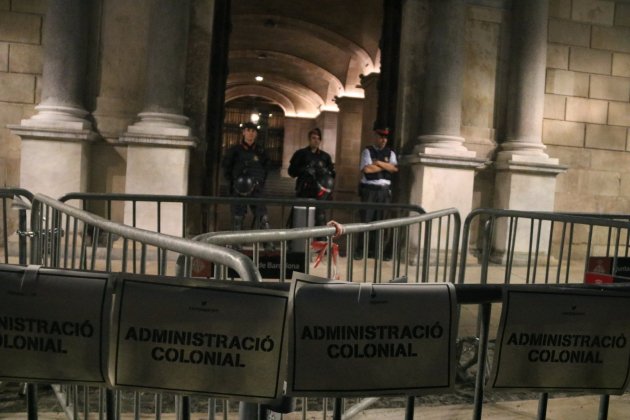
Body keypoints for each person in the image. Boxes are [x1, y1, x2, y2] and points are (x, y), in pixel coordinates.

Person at [222, 121, 273, 250]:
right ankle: (236, 244)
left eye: (253, 131)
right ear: (243, 132)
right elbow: (226, 169)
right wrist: (235, 182)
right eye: (248, 130)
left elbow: (267, 168)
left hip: (256, 188)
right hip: (239, 189)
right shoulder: (234, 150)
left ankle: (268, 244)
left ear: (256, 134)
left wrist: (259, 181)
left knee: (263, 217)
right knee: (238, 217)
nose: (250, 133)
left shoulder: (261, 151)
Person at [354, 127, 398, 260]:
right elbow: (366, 169)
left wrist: (378, 163)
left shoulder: (390, 153)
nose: (384, 140)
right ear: (375, 137)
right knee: (366, 222)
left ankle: (377, 251)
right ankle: (361, 250)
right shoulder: (367, 151)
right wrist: (385, 165)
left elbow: (394, 168)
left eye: (385, 138)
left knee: (382, 222)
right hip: (370, 191)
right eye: (381, 137)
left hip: (384, 191)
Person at [288, 128, 335, 227]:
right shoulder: (300, 154)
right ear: (309, 139)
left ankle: (320, 241)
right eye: (313, 138)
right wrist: (304, 170)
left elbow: (332, 175)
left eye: (318, 138)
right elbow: (291, 172)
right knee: (299, 220)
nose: (316, 140)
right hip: (304, 191)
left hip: (320, 193)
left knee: (320, 220)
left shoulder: (325, 157)